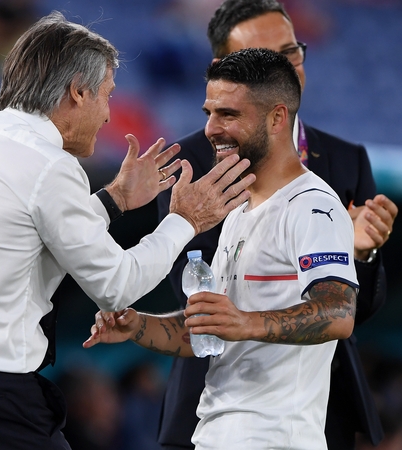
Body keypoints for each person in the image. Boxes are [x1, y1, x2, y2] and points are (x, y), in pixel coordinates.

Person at [0, 11, 256, 450]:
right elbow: (116, 286)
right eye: (106, 95)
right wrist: (185, 221)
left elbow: (23, 234)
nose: (107, 114)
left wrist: (116, 198)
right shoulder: (50, 165)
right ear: (77, 93)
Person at [85, 47, 359, 448]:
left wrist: (245, 322)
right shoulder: (237, 213)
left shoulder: (313, 206)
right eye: (209, 113)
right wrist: (137, 325)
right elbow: (208, 333)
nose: (212, 128)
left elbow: (338, 311)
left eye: (228, 114)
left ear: (277, 118)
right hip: (215, 434)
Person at [154, 1, 398, 448]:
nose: (281, 66)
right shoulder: (191, 164)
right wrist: (136, 325)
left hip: (301, 414)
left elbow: (344, 310)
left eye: (290, 52)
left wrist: (356, 254)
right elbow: (197, 298)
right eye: (264, 55)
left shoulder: (339, 169)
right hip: (214, 414)